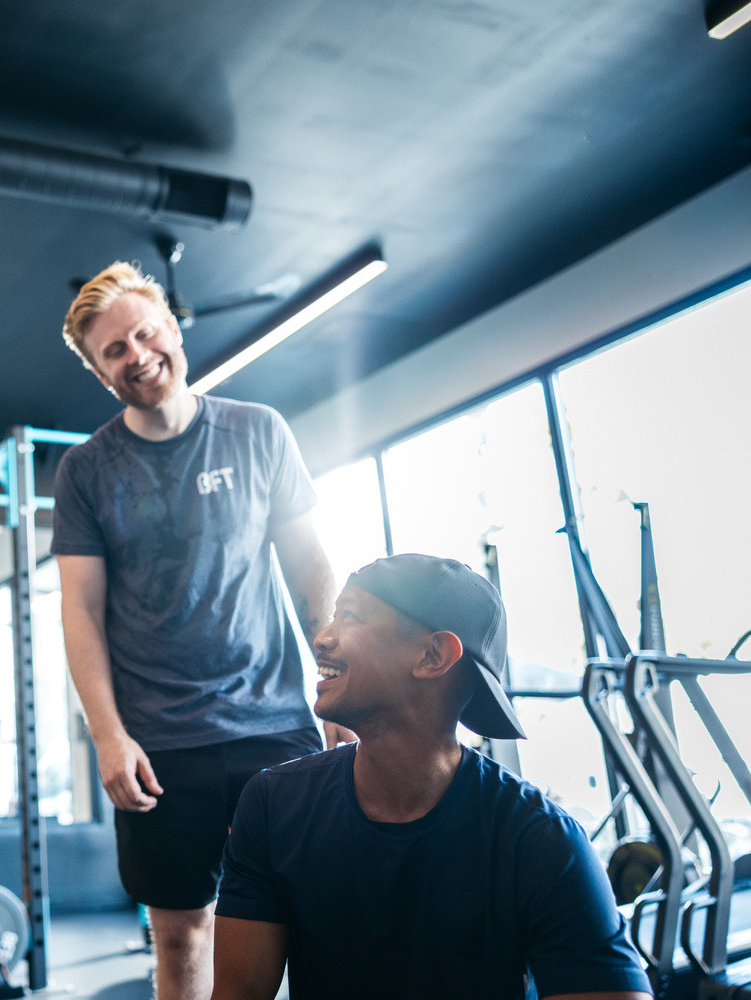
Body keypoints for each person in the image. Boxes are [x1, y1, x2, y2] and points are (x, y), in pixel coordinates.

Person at [52, 262, 342, 1000]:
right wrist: (108, 736)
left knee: (316, 918)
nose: (136, 355)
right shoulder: (87, 471)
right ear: (98, 372)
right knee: (183, 935)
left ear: (173, 330)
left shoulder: (256, 432)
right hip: (158, 745)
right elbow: (80, 610)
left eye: (144, 333)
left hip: (274, 727)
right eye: (112, 351)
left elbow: (311, 565)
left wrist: (338, 690)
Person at [212, 554, 653, 1000]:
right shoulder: (272, 805)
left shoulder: (542, 843)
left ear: (431, 656)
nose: (322, 638)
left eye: (350, 617)